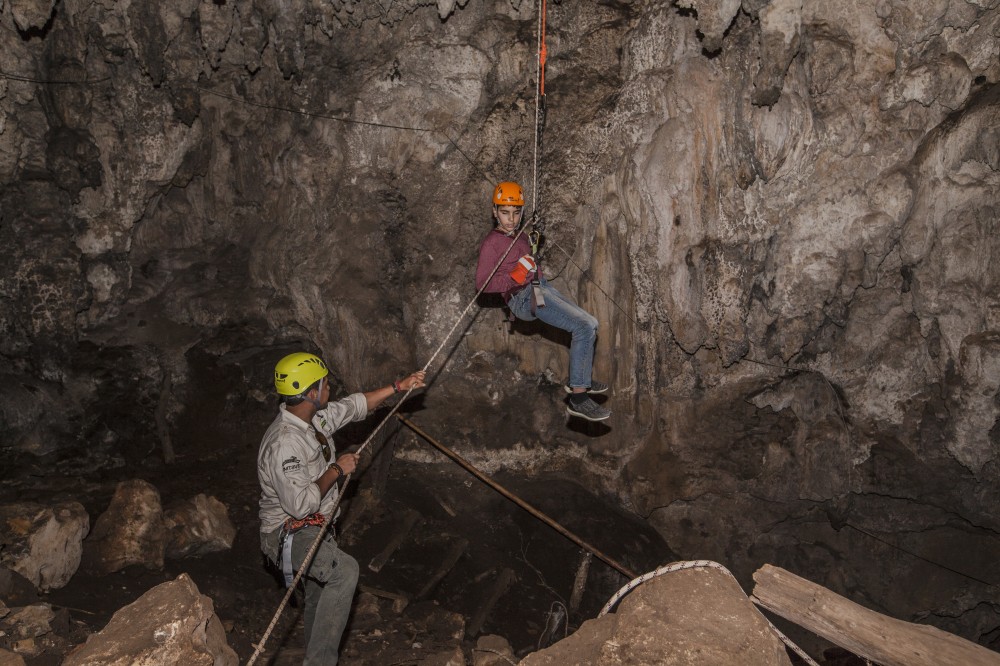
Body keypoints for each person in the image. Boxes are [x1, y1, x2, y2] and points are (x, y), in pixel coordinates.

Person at [258, 351, 426, 665]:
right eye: (324, 384)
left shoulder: (313, 419)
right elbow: (299, 505)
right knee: (344, 571)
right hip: (287, 532)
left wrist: (398, 386)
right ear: (310, 393)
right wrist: (337, 469)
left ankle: (315, 657)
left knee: (320, 595)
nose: (329, 388)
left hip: (314, 526)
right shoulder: (285, 443)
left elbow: (354, 406)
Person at [475, 181, 611, 422]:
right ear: (494, 212)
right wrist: (513, 278)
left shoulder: (520, 235)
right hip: (521, 298)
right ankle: (578, 399)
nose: (511, 219)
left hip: (538, 289)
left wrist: (532, 245)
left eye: (516, 213)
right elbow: (482, 284)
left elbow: (528, 259)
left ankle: (580, 379)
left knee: (591, 322)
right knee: (583, 327)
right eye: (505, 213)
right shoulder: (491, 244)